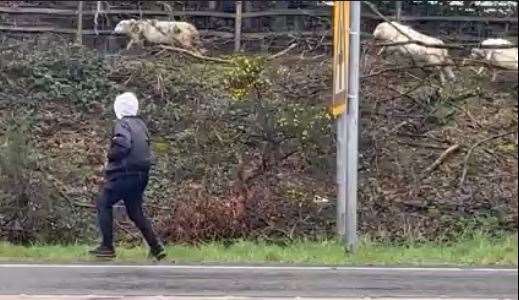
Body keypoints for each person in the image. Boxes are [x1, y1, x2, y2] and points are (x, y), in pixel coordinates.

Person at [90, 92, 166, 260]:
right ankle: (156, 248)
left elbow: (122, 144)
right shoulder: (141, 125)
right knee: (135, 211)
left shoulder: (122, 124)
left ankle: (107, 247)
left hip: (124, 173)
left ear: (119, 108)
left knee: (103, 202)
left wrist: (110, 155)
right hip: (142, 175)